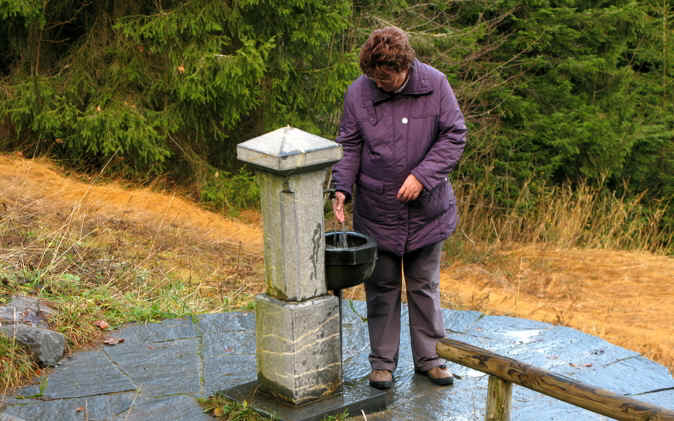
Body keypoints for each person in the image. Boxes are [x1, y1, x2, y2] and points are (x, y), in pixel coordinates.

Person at [331, 26, 467, 390]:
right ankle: (382, 364)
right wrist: (341, 188)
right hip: (378, 212)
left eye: (387, 78)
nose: (381, 84)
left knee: (424, 286)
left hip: (427, 212)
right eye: (375, 78)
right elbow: (349, 144)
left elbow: (455, 135)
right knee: (382, 287)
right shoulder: (357, 93)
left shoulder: (436, 85)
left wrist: (423, 176)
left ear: (406, 66)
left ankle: (431, 358)